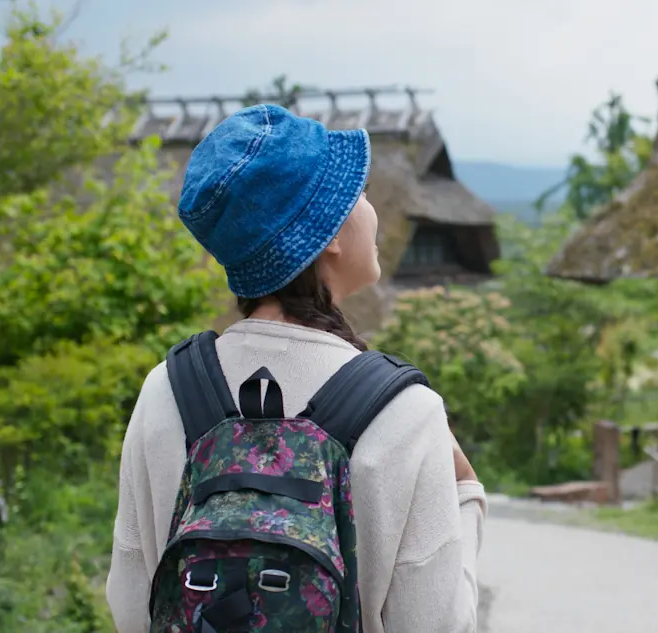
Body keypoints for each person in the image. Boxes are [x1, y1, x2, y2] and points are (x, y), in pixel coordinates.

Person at [105, 103, 486, 633]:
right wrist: (467, 496)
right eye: (361, 194)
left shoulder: (166, 390)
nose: (373, 210)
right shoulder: (404, 411)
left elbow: (132, 605)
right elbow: (438, 623)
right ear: (330, 235)